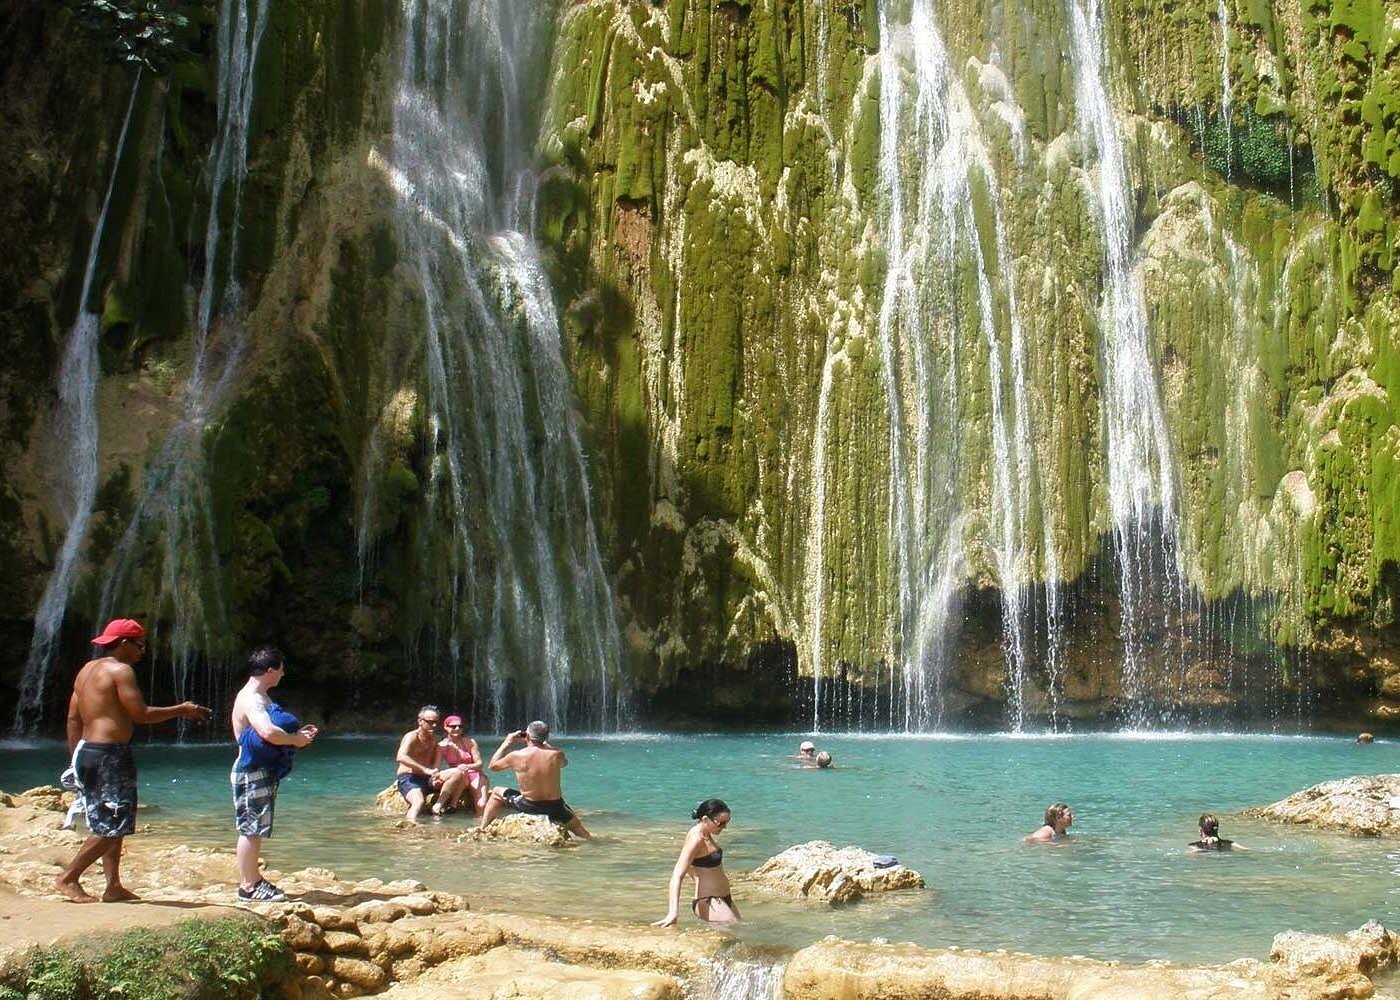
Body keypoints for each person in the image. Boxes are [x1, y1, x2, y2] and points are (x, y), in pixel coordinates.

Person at [54, 619, 210, 903]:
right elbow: (141, 714)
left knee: (111, 818)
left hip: (88, 752)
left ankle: (113, 885)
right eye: (140, 645)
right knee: (116, 822)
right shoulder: (120, 671)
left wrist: (75, 758)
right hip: (109, 755)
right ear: (124, 643)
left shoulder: (86, 671)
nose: (143, 651)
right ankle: (68, 878)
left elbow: (73, 718)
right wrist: (182, 710)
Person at [230, 646, 318, 902]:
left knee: (256, 826)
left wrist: (297, 735)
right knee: (250, 827)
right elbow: (268, 732)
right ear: (270, 670)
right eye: (280, 669)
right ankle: (248, 886)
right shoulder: (252, 699)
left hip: (260, 770)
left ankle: (253, 880)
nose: (282, 674)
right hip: (251, 770)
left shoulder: (260, 696)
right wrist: (296, 740)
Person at [478, 721, 590, 838]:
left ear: (526, 736)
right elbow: (564, 763)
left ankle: (482, 828)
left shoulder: (517, 756)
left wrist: (507, 742)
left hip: (530, 806)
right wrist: (547, 746)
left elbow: (492, 766)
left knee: (496, 791)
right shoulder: (557, 754)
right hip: (556, 807)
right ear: (546, 737)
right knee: (581, 831)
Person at [652, 799, 739, 926]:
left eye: (727, 822)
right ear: (705, 819)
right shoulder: (696, 839)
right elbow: (677, 875)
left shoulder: (707, 834)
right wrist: (673, 912)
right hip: (709, 902)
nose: (724, 827)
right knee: (736, 932)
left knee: (742, 935)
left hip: (723, 899)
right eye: (721, 823)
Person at [394, 705, 468, 822]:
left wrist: (435, 775)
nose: (433, 725)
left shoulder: (433, 740)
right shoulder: (412, 737)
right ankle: (410, 828)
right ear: (420, 721)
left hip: (427, 779)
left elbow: (435, 764)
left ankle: (438, 805)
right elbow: (401, 756)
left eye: (435, 722)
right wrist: (425, 770)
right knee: (418, 802)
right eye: (430, 722)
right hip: (409, 778)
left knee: (458, 772)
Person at [437, 715, 489, 814]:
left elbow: (480, 764)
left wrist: (467, 766)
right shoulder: (441, 746)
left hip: (475, 774)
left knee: (481, 805)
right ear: (445, 727)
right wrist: (437, 778)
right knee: (460, 773)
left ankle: (480, 827)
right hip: (458, 777)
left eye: (460, 726)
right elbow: (436, 766)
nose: (457, 729)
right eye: (453, 726)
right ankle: (453, 805)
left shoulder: (470, 742)